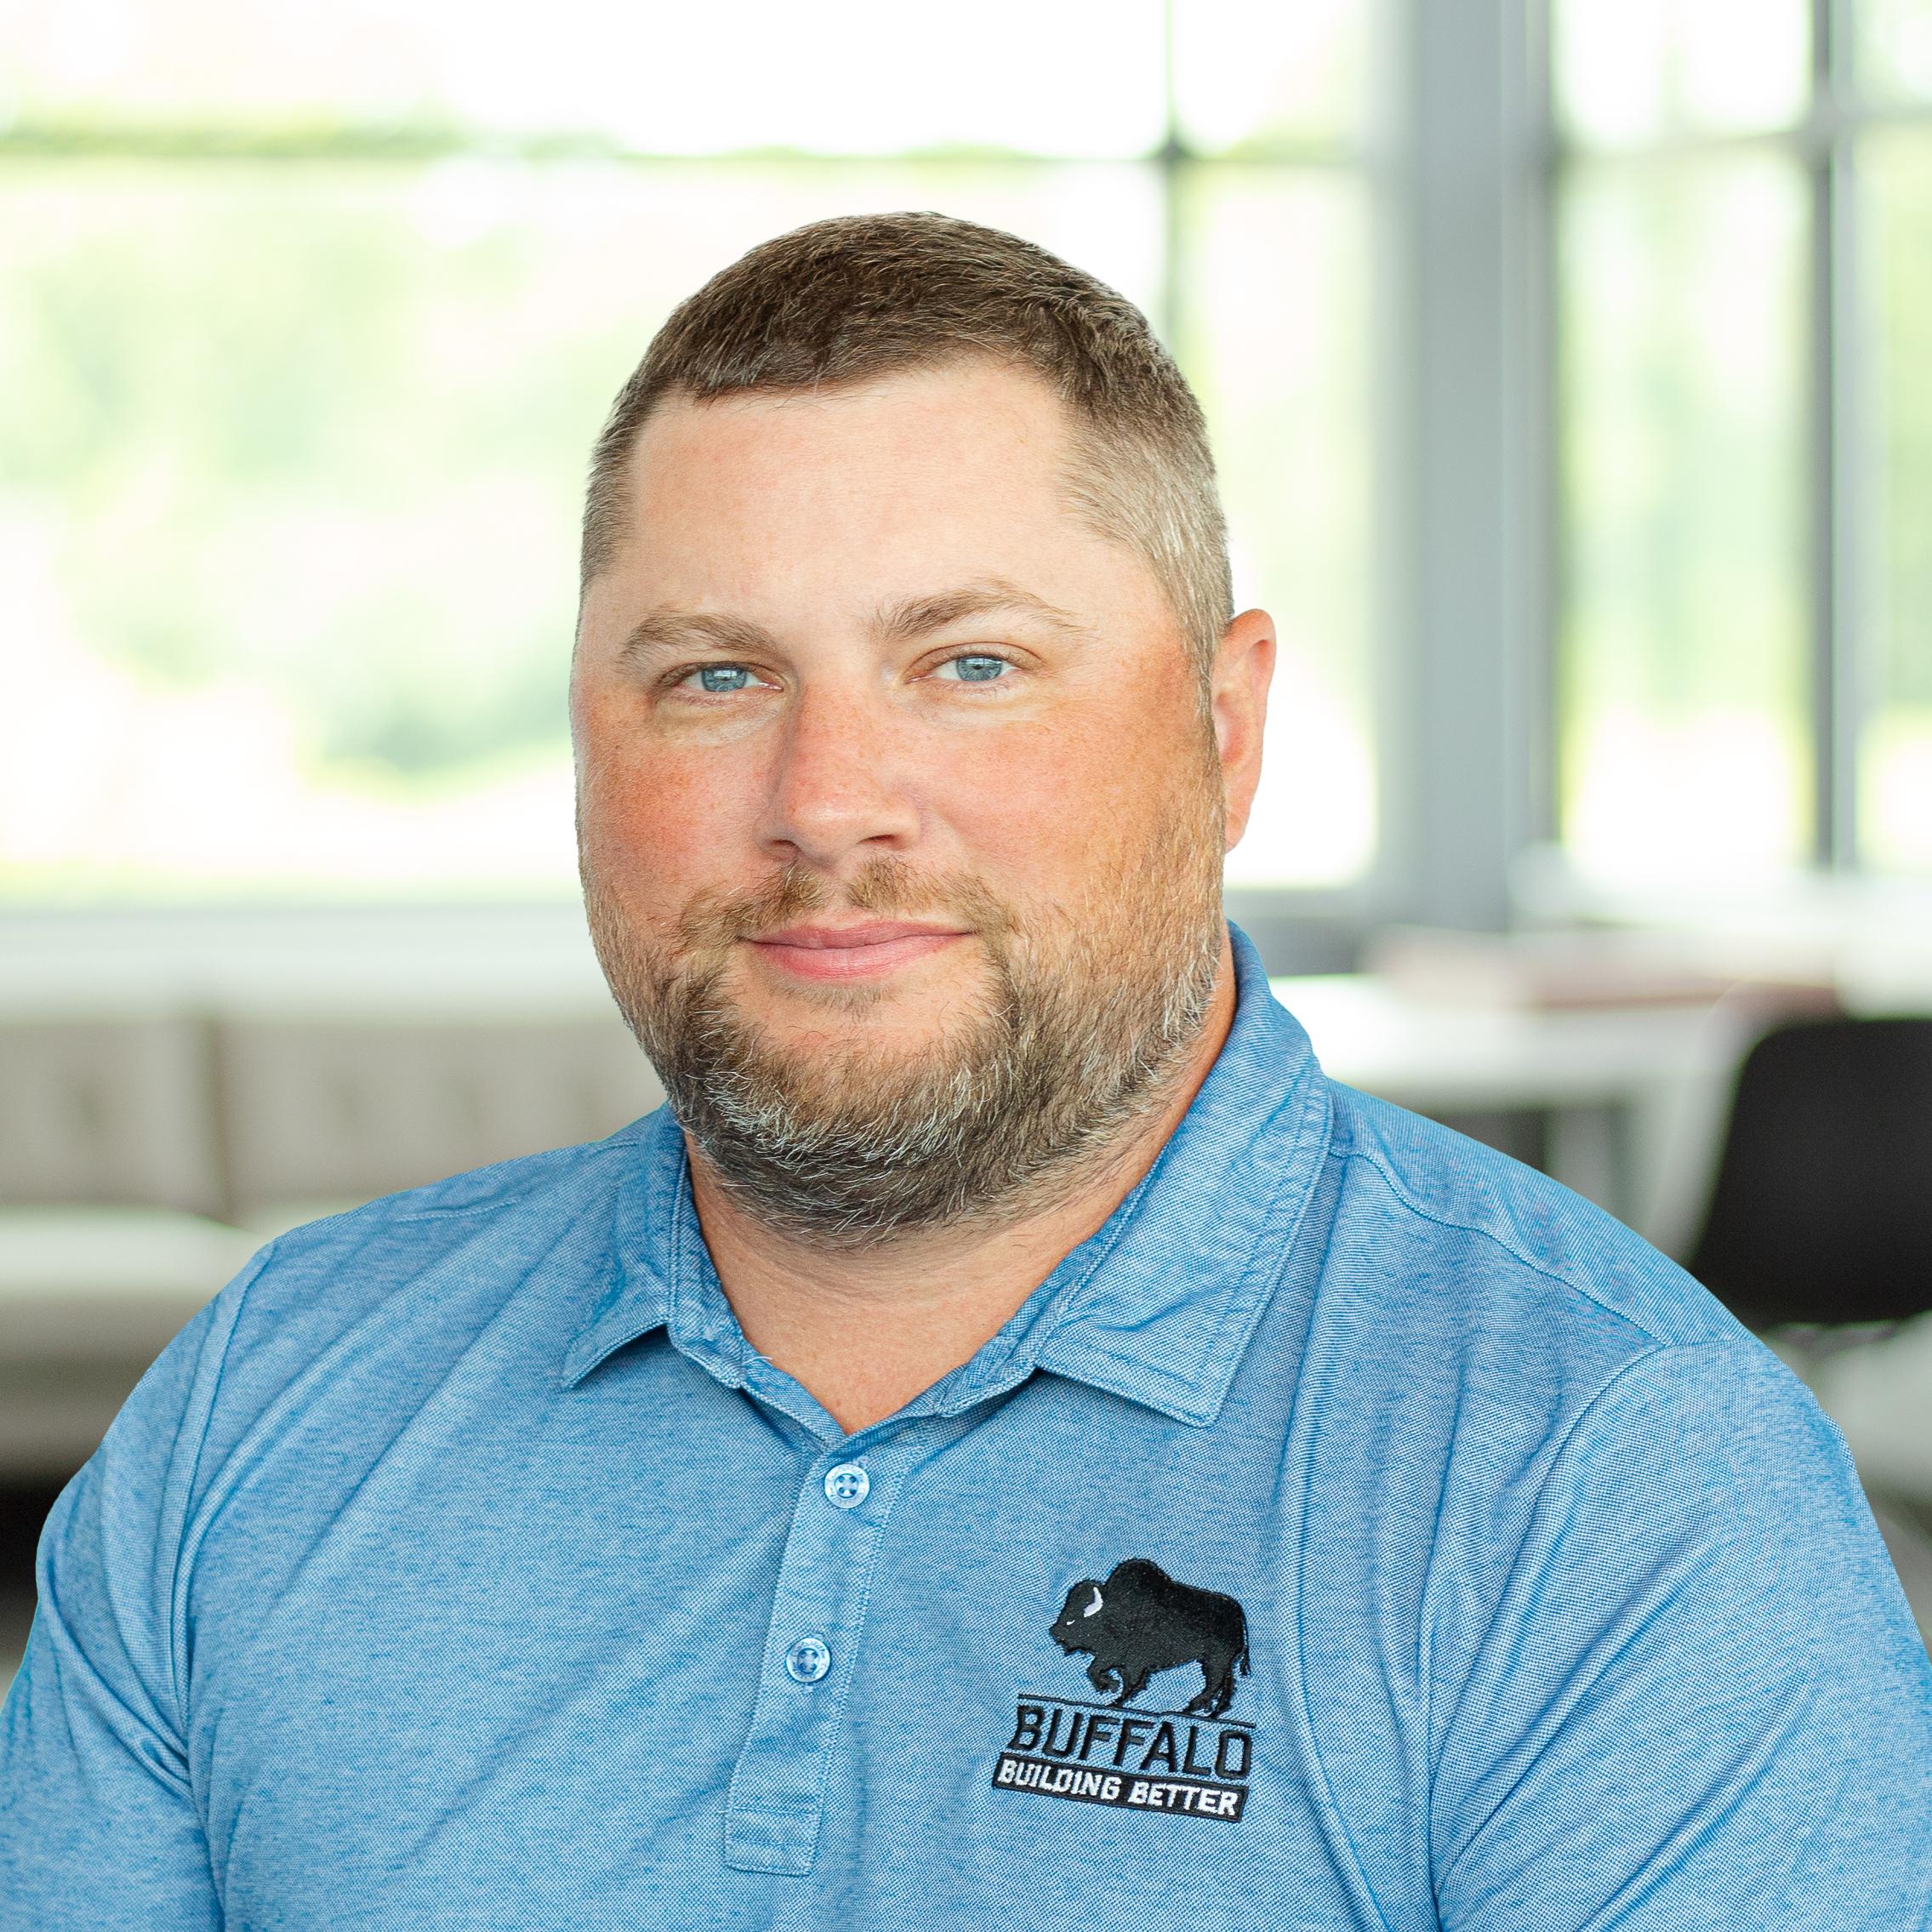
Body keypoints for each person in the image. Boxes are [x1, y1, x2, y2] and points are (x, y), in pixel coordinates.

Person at [2, 211, 1929, 1930]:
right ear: (584, 745)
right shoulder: (262, 1411)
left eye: (972, 664)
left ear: (1223, 727)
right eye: (713, 676)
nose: (828, 804)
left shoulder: (1613, 1478)